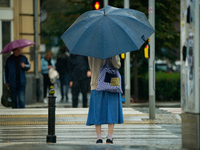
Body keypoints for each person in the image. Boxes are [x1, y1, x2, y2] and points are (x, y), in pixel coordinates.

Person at [86, 55, 124, 144]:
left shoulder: (91, 50)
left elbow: (91, 65)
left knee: (97, 110)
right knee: (112, 110)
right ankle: (109, 138)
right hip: (110, 82)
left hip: (96, 83)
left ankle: (99, 138)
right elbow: (117, 65)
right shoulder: (112, 47)